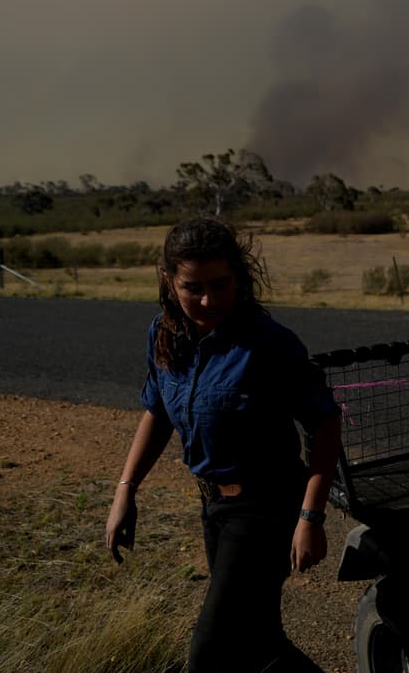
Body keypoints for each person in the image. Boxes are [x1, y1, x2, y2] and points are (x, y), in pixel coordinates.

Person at [105, 218, 340, 672]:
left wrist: (311, 517)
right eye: (192, 287)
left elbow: (325, 422)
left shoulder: (269, 344)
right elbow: (157, 411)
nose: (208, 300)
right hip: (214, 506)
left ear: (239, 278)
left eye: (220, 284)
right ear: (168, 281)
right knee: (259, 642)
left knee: (209, 654)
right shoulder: (164, 335)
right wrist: (125, 490)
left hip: (266, 508)